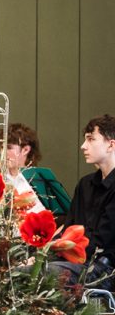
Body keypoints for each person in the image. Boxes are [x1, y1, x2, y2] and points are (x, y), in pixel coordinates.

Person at [49, 114, 115, 291]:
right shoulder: (85, 184)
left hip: (104, 270)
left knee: (43, 273)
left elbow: (101, 243)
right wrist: (42, 253)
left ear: (111, 144)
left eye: (91, 139)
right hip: (75, 262)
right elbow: (69, 229)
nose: (83, 146)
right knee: (19, 268)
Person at [4, 123, 44, 212]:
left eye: (8, 148)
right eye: (2, 147)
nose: (2, 152)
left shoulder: (38, 184)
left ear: (25, 150)